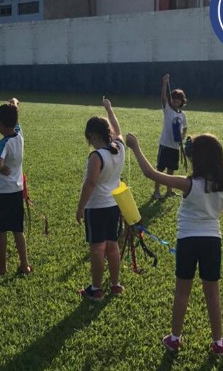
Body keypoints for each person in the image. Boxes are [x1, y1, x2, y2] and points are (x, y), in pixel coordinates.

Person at [125, 132, 223, 356]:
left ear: (196, 160)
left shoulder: (187, 184)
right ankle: (218, 342)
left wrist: (135, 147)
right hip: (212, 243)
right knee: (213, 294)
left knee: (182, 292)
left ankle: (174, 338)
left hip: (188, 242)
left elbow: (151, 173)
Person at [76, 98, 125, 300]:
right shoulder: (120, 147)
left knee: (97, 249)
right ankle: (115, 284)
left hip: (97, 208)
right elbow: (117, 128)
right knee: (113, 246)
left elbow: (90, 184)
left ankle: (96, 289)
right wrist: (109, 108)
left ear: (93, 135)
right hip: (114, 206)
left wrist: (80, 208)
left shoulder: (97, 156)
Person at [0, 98, 31, 275]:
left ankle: (2, 266)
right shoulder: (19, 135)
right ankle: (25, 265)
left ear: (1, 124)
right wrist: (14, 103)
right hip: (17, 191)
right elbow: (16, 117)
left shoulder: (4, 143)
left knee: (1, 231)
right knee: (17, 229)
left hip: (2, 192)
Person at [153, 74, 188, 199]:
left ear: (182, 102)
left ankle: (169, 191)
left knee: (171, 170)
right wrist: (164, 84)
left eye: (178, 99)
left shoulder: (182, 114)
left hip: (175, 146)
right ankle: (156, 191)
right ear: (170, 99)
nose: (175, 101)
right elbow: (162, 97)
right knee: (160, 169)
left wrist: (182, 136)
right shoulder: (167, 109)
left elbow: (185, 127)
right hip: (165, 144)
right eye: (173, 99)